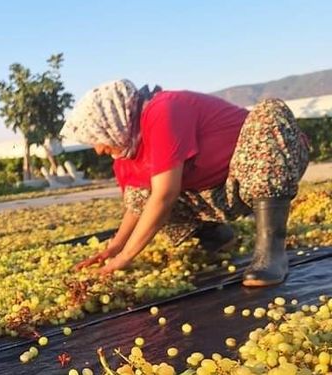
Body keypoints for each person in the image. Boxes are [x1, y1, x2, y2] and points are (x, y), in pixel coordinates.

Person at [60, 80, 309, 287]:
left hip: (273, 163)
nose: (98, 149)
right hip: (224, 191)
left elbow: (165, 195)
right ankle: (218, 236)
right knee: (140, 194)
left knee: (268, 112)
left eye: (97, 138)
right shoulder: (127, 150)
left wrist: (126, 257)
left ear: (111, 122)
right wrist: (114, 247)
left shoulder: (163, 110)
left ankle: (271, 253)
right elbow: (136, 206)